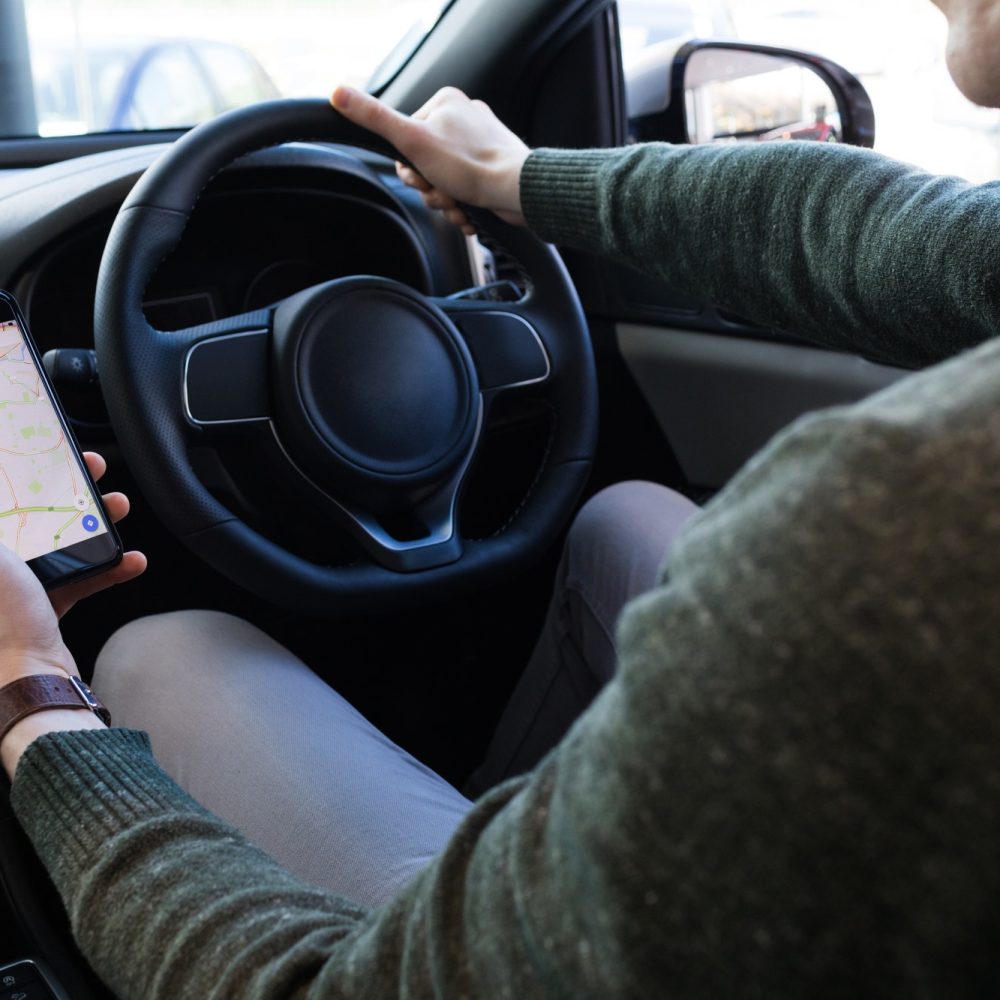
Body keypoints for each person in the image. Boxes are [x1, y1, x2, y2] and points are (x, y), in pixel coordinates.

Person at [3, 0, 1000, 993]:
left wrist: (34, 689)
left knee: (158, 649)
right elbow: (919, 242)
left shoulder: (911, 523)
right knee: (622, 517)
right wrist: (516, 181)